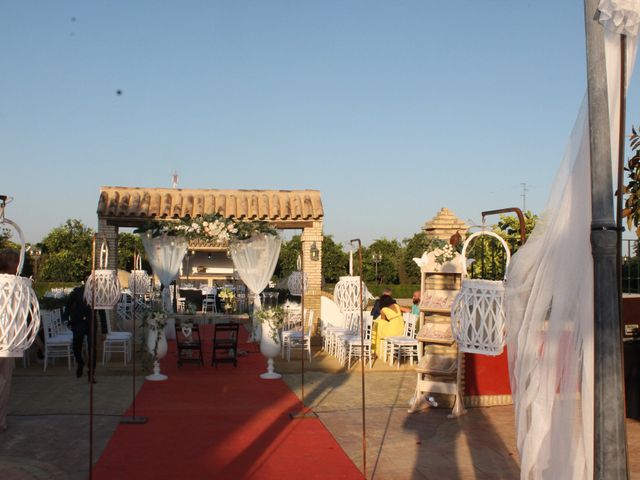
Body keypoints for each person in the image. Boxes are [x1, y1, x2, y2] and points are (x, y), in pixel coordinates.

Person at [0, 248, 20, 431]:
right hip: (7, 338)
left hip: (7, 338)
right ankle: (1, 420)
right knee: (5, 380)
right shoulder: (16, 286)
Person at [63, 285, 97, 382]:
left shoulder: (97, 293)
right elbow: (68, 304)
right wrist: (66, 318)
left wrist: (104, 329)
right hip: (78, 323)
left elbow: (101, 310)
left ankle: (91, 372)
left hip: (91, 324)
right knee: (76, 346)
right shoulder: (77, 291)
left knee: (92, 348)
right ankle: (80, 362)